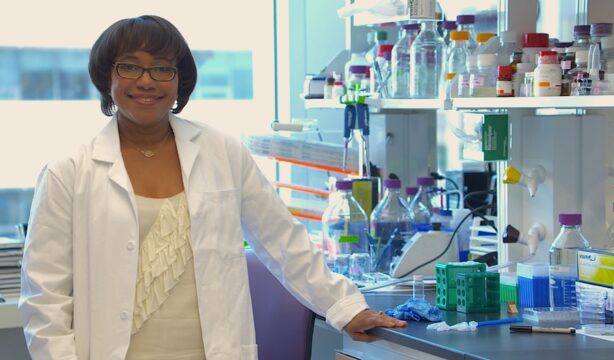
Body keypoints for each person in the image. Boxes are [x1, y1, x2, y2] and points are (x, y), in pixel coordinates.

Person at [19, 15, 405, 360]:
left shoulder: (221, 151)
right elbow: (45, 297)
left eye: (162, 69)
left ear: (180, 81)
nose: (146, 81)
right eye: (130, 67)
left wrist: (344, 306)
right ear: (108, 77)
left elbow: (282, 241)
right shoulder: (69, 171)